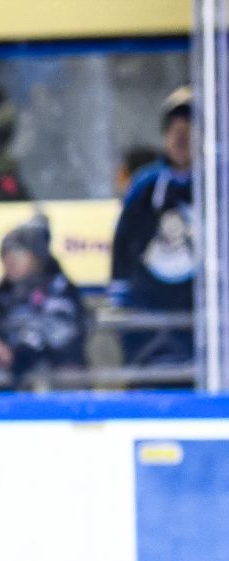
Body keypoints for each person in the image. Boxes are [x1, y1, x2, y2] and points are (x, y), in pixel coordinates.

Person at [111, 87, 196, 368]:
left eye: (189, 130)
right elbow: (124, 239)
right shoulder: (147, 183)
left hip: (197, 301)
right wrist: (121, 290)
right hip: (151, 301)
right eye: (174, 131)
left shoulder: (216, 182)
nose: (181, 139)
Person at [0, 213, 88, 389]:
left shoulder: (60, 288)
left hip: (54, 364)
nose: (10, 261)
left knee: (66, 374)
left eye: (18, 254)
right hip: (9, 368)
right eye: (6, 255)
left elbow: (60, 334)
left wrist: (16, 350)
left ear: (37, 258)